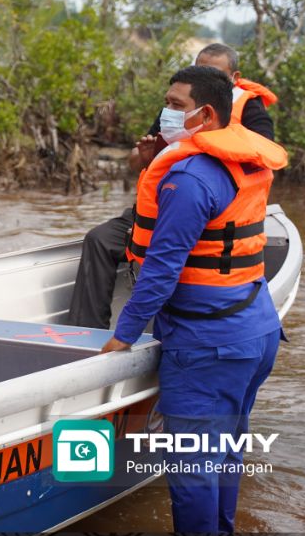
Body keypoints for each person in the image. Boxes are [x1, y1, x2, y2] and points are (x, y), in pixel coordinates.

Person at [99, 65, 287, 534]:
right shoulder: (246, 162)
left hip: (208, 345)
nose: (165, 113)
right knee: (224, 450)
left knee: (192, 466)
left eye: (175, 105)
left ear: (205, 115)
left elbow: (162, 270)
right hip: (257, 328)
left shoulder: (189, 177)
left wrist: (123, 336)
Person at [67, 43, 277, 330]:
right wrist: (147, 157)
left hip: (208, 213)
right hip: (162, 206)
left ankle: (156, 322)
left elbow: (260, 160)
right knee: (99, 239)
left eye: (214, 72)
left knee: (170, 256)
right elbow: (136, 160)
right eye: (199, 68)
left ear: (233, 77)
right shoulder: (178, 109)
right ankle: (86, 330)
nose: (204, 76)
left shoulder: (247, 109)